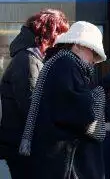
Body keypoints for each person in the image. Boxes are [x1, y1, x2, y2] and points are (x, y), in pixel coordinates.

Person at [18, 21, 107, 179]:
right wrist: (101, 92)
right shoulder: (66, 65)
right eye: (92, 51)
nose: (94, 59)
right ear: (77, 45)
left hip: (59, 160)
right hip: (66, 163)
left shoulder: (60, 62)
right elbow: (81, 114)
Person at [0, 9, 69, 179]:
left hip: (25, 146)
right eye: (60, 34)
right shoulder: (27, 59)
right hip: (26, 149)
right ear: (50, 33)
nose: (62, 40)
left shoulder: (31, 57)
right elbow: (32, 106)